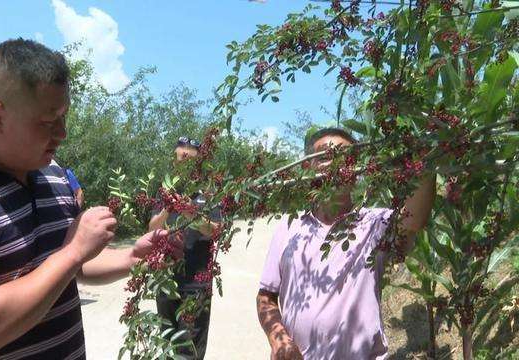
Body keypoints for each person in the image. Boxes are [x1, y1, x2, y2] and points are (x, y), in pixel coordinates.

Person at [0, 38, 180, 359]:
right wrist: (72, 252)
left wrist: (133, 258)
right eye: (47, 121)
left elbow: (72, 268)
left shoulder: (53, 174)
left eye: (64, 117)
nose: (62, 133)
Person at [256, 128, 436, 359]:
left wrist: (428, 162)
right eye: (324, 156)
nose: (335, 164)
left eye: (344, 157)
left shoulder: (375, 224)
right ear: (306, 168)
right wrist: (278, 339)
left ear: (356, 168)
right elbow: (266, 296)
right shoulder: (288, 228)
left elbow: (414, 219)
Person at [149, 136, 221, 359]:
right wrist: (168, 208)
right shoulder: (164, 192)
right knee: (167, 344)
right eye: (180, 157)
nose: (183, 163)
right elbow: (151, 228)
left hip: (196, 285)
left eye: (189, 159)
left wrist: (191, 212)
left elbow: (216, 230)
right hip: (165, 281)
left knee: (189, 350)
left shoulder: (209, 194)